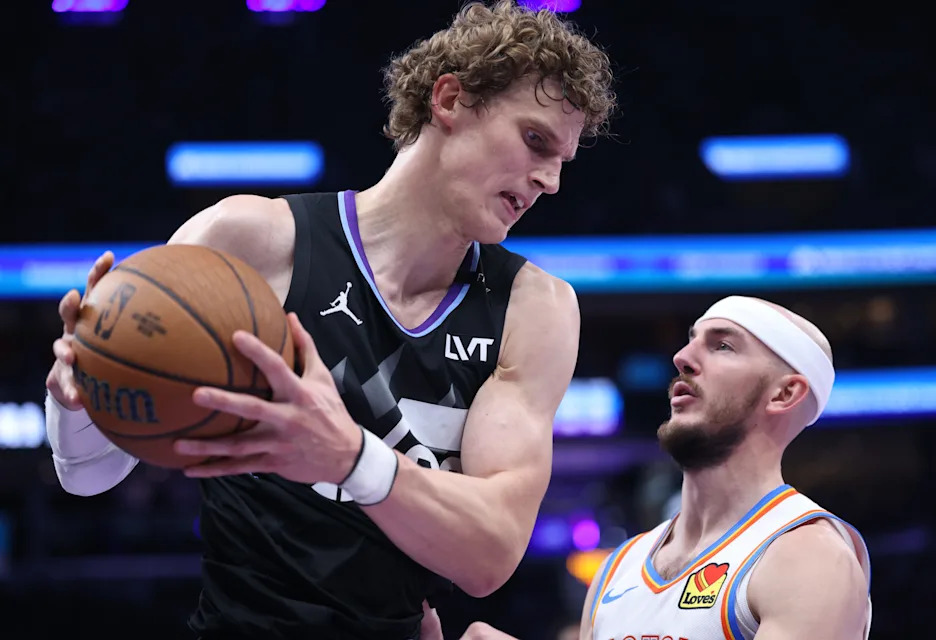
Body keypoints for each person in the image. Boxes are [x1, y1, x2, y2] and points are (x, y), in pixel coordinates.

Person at [42, 2, 617, 639]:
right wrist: (77, 399)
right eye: (535, 140)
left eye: (563, 159)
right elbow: (87, 475)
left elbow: (491, 554)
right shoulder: (247, 241)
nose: (550, 181)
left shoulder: (535, 308)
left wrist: (347, 456)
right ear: (450, 99)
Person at [447, 296, 872, 640]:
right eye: (691, 341)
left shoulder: (808, 557)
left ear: (784, 394)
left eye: (722, 345)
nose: (682, 357)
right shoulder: (618, 568)